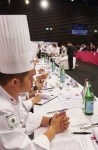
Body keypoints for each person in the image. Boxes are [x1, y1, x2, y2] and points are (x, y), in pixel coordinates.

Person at [0, 15, 69, 149]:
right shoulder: (2, 109)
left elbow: (23, 118)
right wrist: (53, 129)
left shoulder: (11, 96)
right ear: (15, 82)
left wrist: (50, 121)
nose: (35, 80)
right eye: (31, 77)